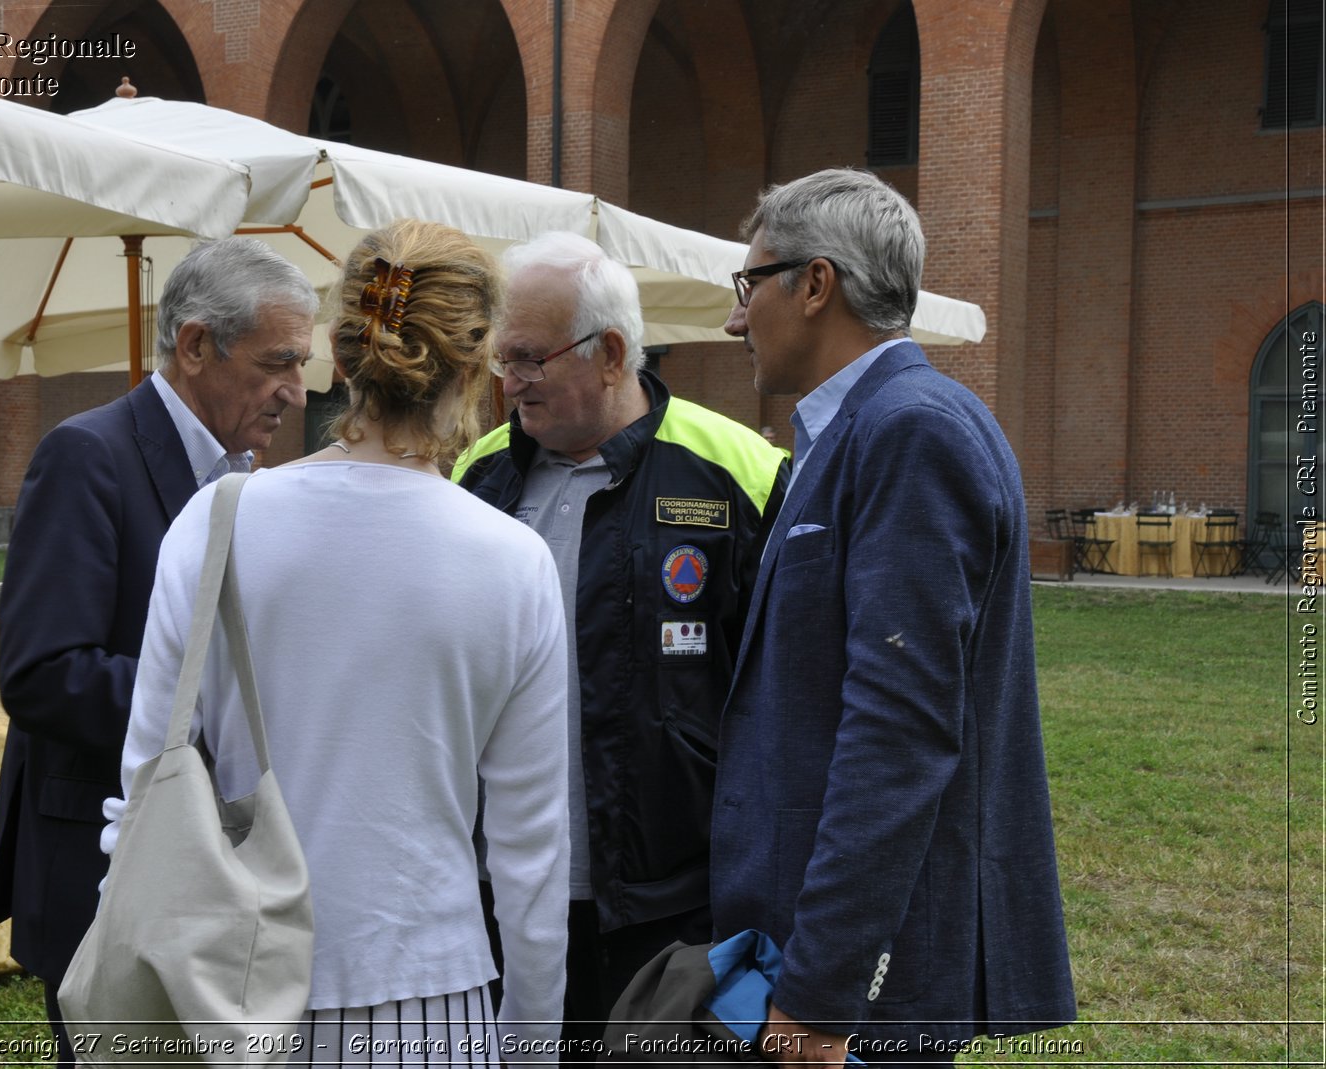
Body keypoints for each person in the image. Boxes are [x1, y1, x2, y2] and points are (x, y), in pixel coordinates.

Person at [106, 219, 571, 1062]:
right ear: (475, 368)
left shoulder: (218, 522)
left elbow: (146, 781)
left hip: (230, 989)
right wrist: (532, 1043)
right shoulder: (516, 561)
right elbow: (530, 855)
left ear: (341, 357)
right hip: (432, 997)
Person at [713, 168, 1076, 1066]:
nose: (733, 318)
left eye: (748, 285)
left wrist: (826, 985)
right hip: (810, 953)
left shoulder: (910, 430)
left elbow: (900, 731)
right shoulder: (851, 431)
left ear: (815, 284)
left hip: (860, 986)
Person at [0, 237, 318, 1066]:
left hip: (205, 861)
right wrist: (209, 699)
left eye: (302, 364)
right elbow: (41, 673)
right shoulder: (88, 456)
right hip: (105, 868)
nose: (297, 393)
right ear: (196, 345)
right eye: (279, 363)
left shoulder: (251, 480)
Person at [452, 231, 789, 1052]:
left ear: (610, 352)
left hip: (673, 907)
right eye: (503, 358)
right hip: (502, 895)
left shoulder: (743, 474)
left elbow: (788, 702)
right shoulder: (477, 477)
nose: (511, 381)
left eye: (530, 358)